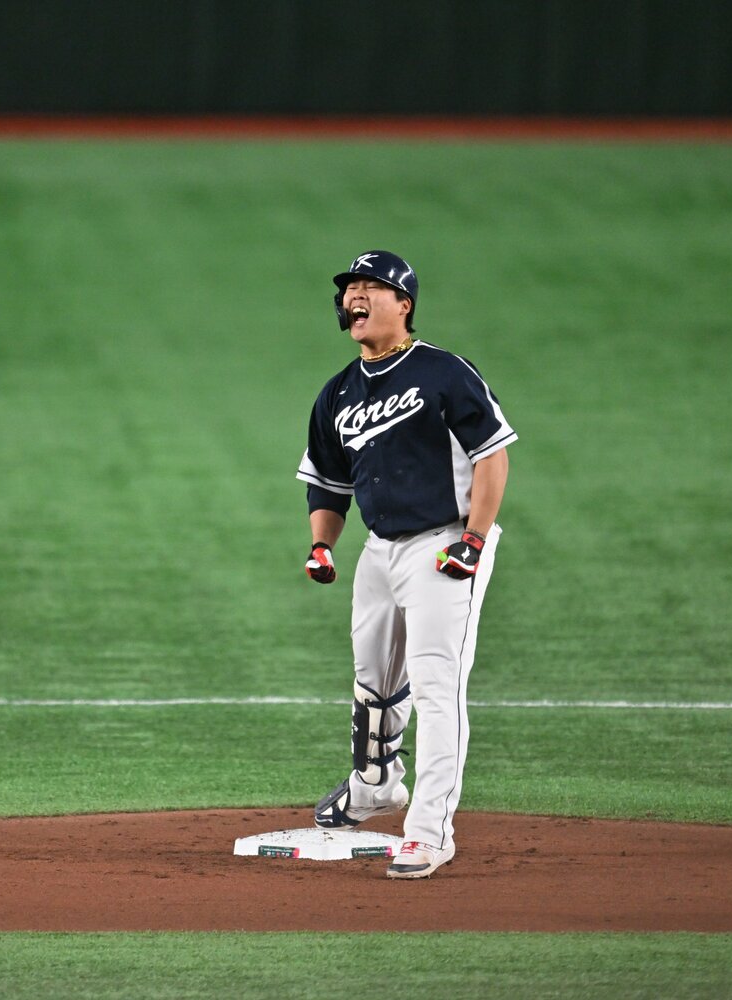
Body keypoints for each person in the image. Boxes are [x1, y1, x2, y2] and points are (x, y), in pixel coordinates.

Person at [297, 250, 515, 879]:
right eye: (350, 289)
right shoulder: (337, 392)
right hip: (378, 548)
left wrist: (473, 539)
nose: (356, 297)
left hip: (444, 542)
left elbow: (493, 455)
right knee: (374, 679)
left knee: (437, 685)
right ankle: (374, 784)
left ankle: (429, 832)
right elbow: (328, 485)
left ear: (404, 303)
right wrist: (321, 544)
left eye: (371, 286)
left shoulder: (443, 372)